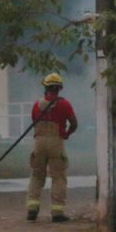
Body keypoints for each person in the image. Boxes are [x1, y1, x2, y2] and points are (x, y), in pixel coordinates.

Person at [26, 73, 78, 223]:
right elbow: (74, 124)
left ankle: (32, 209)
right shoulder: (64, 104)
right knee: (58, 177)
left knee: (36, 175)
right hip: (56, 143)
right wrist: (67, 133)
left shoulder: (37, 105)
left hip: (39, 142)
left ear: (45, 87)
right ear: (59, 88)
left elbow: (34, 122)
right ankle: (57, 212)